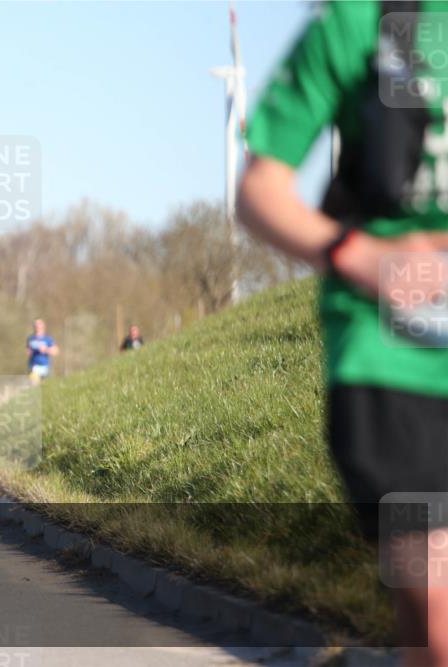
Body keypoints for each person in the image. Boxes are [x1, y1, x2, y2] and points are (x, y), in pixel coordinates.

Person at [236, 3, 448, 662]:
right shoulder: (358, 22)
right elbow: (261, 190)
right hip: (392, 355)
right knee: (435, 603)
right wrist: (360, 256)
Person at [26, 319, 59, 384]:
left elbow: (56, 351)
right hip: (34, 366)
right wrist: (30, 352)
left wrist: (46, 349)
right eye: (36, 326)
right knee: (35, 385)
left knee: (45, 386)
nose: (37, 328)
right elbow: (28, 351)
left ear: (43, 327)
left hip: (45, 366)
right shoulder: (31, 339)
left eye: (39, 326)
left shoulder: (48, 339)